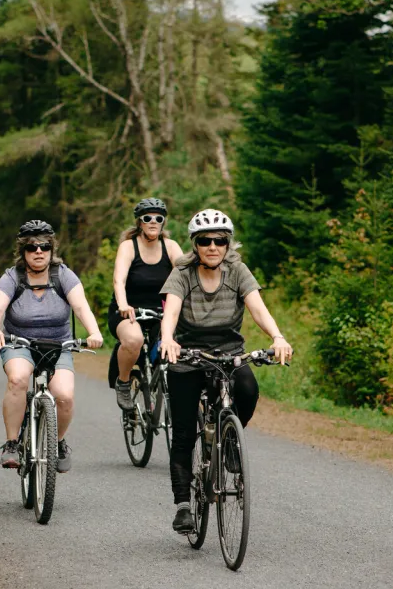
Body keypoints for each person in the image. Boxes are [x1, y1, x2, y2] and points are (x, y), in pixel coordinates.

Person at [160, 209, 293, 534]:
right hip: (189, 351)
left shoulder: (237, 270)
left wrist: (277, 336)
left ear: (227, 243)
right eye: (205, 241)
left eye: (220, 240)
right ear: (195, 244)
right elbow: (172, 310)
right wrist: (167, 340)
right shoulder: (182, 272)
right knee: (183, 433)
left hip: (229, 349)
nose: (213, 246)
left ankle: (231, 440)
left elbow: (258, 308)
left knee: (247, 388)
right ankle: (183, 506)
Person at [0, 220, 104, 472]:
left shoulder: (63, 275)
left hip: (57, 344)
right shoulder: (12, 277)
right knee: (17, 379)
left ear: (52, 249)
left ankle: (57, 442)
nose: (39, 252)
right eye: (32, 247)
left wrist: (94, 331)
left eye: (45, 246)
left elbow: (81, 307)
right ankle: (11, 444)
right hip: (19, 342)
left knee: (65, 396)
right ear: (23, 251)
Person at [108, 198, 185, 409]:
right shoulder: (128, 247)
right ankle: (123, 382)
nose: (153, 222)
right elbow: (119, 280)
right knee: (134, 340)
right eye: (147, 218)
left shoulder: (170, 247)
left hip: (162, 311)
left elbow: (186, 274)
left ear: (163, 223)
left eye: (158, 218)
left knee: (182, 344)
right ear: (139, 223)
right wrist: (123, 305)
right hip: (129, 311)